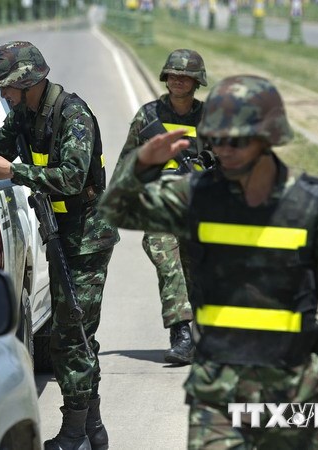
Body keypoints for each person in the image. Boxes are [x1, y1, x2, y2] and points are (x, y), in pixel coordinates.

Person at [99, 74, 318, 449]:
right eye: (218, 139)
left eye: (237, 140)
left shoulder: (316, 205)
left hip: (293, 391)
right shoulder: (197, 197)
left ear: (269, 138)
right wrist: (142, 162)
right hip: (217, 396)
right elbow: (117, 210)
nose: (225, 149)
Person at [0, 41, 119, 450]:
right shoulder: (24, 115)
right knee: (73, 334)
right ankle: (92, 431)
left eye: (6, 87)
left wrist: (13, 171)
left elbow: (70, 177)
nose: (3, 95)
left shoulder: (73, 115)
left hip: (88, 235)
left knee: (73, 335)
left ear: (27, 79)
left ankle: (76, 432)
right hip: (60, 232)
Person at [117, 48, 212, 365]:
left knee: (195, 272)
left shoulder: (209, 118)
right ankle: (181, 336)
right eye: (173, 75)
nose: (178, 81)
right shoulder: (148, 116)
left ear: (196, 81)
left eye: (185, 76)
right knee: (168, 266)